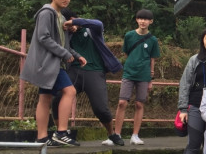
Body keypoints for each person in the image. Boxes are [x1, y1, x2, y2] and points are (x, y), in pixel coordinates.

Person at [21, 0, 86, 147]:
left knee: (45, 98)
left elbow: (63, 43)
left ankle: (42, 137)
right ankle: (61, 132)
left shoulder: (62, 18)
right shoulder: (46, 13)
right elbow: (43, 37)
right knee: (70, 91)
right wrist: (65, 54)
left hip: (55, 62)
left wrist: (76, 56)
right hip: (48, 63)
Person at [53, 8, 123, 146]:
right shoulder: (66, 35)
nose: (71, 27)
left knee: (101, 109)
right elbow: (65, 49)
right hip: (73, 71)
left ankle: (111, 133)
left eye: (71, 23)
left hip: (95, 71)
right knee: (57, 99)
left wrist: (74, 22)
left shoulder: (91, 30)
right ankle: (60, 133)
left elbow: (99, 24)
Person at [113, 9, 160, 145]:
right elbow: (127, 53)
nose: (142, 21)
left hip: (144, 76)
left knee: (139, 104)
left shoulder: (152, 40)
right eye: (140, 18)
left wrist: (151, 78)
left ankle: (135, 135)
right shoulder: (129, 35)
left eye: (146, 19)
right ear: (136, 20)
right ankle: (116, 135)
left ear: (151, 21)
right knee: (122, 103)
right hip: (129, 73)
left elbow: (152, 59)